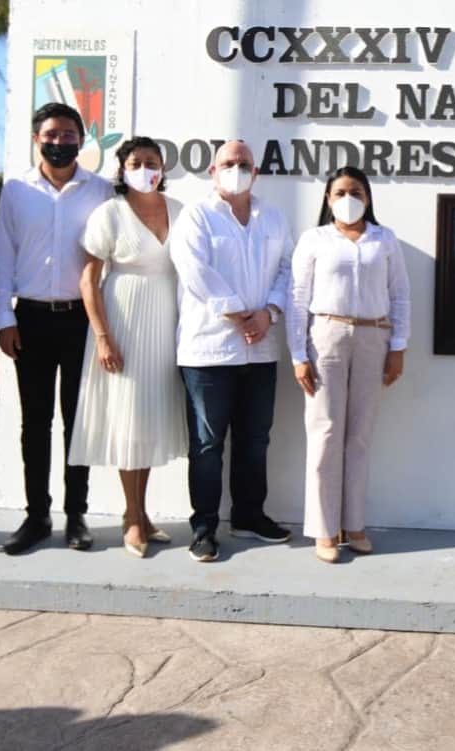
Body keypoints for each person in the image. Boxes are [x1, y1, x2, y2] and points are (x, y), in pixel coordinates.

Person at [0, 102, 113, 555]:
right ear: (36, 139)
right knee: (35, 423)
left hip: (82, 320)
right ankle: (36, 515)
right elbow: (2, 256)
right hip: (32, 321)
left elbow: (109, 260)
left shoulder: (100, 190)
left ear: (81, 139)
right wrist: (4, 319)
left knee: (78, 423)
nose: (59, 142)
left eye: (67, 134)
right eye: (50, 135)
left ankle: (76, 516)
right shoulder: (17, 190)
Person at [169, 139, 294, 562]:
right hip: (208, 351)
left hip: (260, 350)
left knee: (255, 439)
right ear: (212, 170)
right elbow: (193, 271)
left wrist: (270, 312)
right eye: (228, 163)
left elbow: (287, 269)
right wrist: (241, 314)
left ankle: (248, 515)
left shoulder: (273, 218)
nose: (236, 168)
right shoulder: (197, 216)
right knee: (207, 444)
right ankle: (204, 527)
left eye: (243, 163)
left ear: (255, 172)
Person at [68, 137, 188, 558]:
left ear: (162, 167)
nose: (144, 168)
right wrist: (102, 336)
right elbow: (89, 280)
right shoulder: (110, 214)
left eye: (151, 161)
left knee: (151, 419)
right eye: (135, 162)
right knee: (130, 419)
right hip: (123, 321)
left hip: (164, 324)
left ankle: (144, 514)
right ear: (121, 170)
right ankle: (132, 517)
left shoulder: (179, 211)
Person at [288, 166, 411, 563]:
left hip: (373, 337)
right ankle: (324, 530)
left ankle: (353, 524)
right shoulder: (315, 239)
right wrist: (297, 355)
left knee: (359, 435)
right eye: (339, 191)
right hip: (327, 336)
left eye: (355, 191)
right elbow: (297, 298)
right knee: (325, 433)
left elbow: (401, 296)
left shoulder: (384, 239)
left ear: (368, 196)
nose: (348, 198)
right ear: (327, 199)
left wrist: (398, 347)